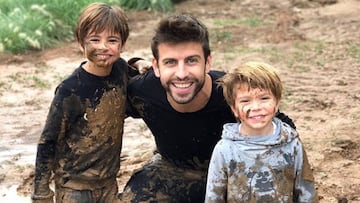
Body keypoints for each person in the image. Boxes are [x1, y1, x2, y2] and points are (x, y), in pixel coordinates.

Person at [120, 14, 297, 202]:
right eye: (170, 62)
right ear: (156, 66)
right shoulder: (143, 91)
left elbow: (284, 129)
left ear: (208, 62)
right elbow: (100, 104)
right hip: (171, 168)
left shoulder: (232, 94)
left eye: (191, 61)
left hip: (232, 172)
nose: (181, 74)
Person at [31, 2, 133, 202]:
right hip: (74, 187)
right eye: (94, 39)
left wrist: (139, 62)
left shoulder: (121, 70)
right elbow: (48, 142)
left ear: (122, 44)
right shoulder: (70, 90)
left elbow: (141, 80)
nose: (103, 46)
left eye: (112, 40)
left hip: (109, 183)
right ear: (81, 43)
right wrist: (41, 194)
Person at [205, 61, 317, 202]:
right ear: (234, 109)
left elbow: (306, 191)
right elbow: (214, 196)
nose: (256, 107)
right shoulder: (225, 150)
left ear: (276, 103)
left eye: (264, 98)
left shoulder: (292, 145)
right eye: (245, 101)